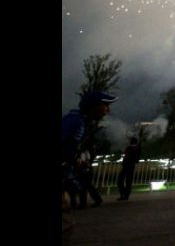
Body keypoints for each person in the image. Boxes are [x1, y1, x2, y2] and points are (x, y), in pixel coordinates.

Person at [61, 91, 118, 242]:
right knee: (66, 224)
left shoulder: (80, 121)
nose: (108, 110)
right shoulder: (75, 122)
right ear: (93, 106)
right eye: (105, 105)